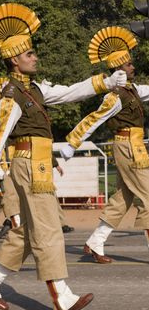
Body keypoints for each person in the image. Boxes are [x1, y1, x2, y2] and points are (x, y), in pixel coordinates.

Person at [0, 4, 126, 310]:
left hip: (36, 163)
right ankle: (62, 298)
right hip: (29, 164)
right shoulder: (12, 93)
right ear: (14, 59)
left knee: (27, 233)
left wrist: (104, 83)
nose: (35, 57)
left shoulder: (35, 89)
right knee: (48, 229)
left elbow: (69, 92)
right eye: (29, 54)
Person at [61, 26, 149, 264]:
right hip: (128, 147)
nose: (133, 67)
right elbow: (93, 119)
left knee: (124, 197)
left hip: (133, 146)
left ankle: (95, 241)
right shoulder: (115, 95)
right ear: (119, 68)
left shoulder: (131, 90)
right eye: (129, 64)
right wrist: (72, 142)